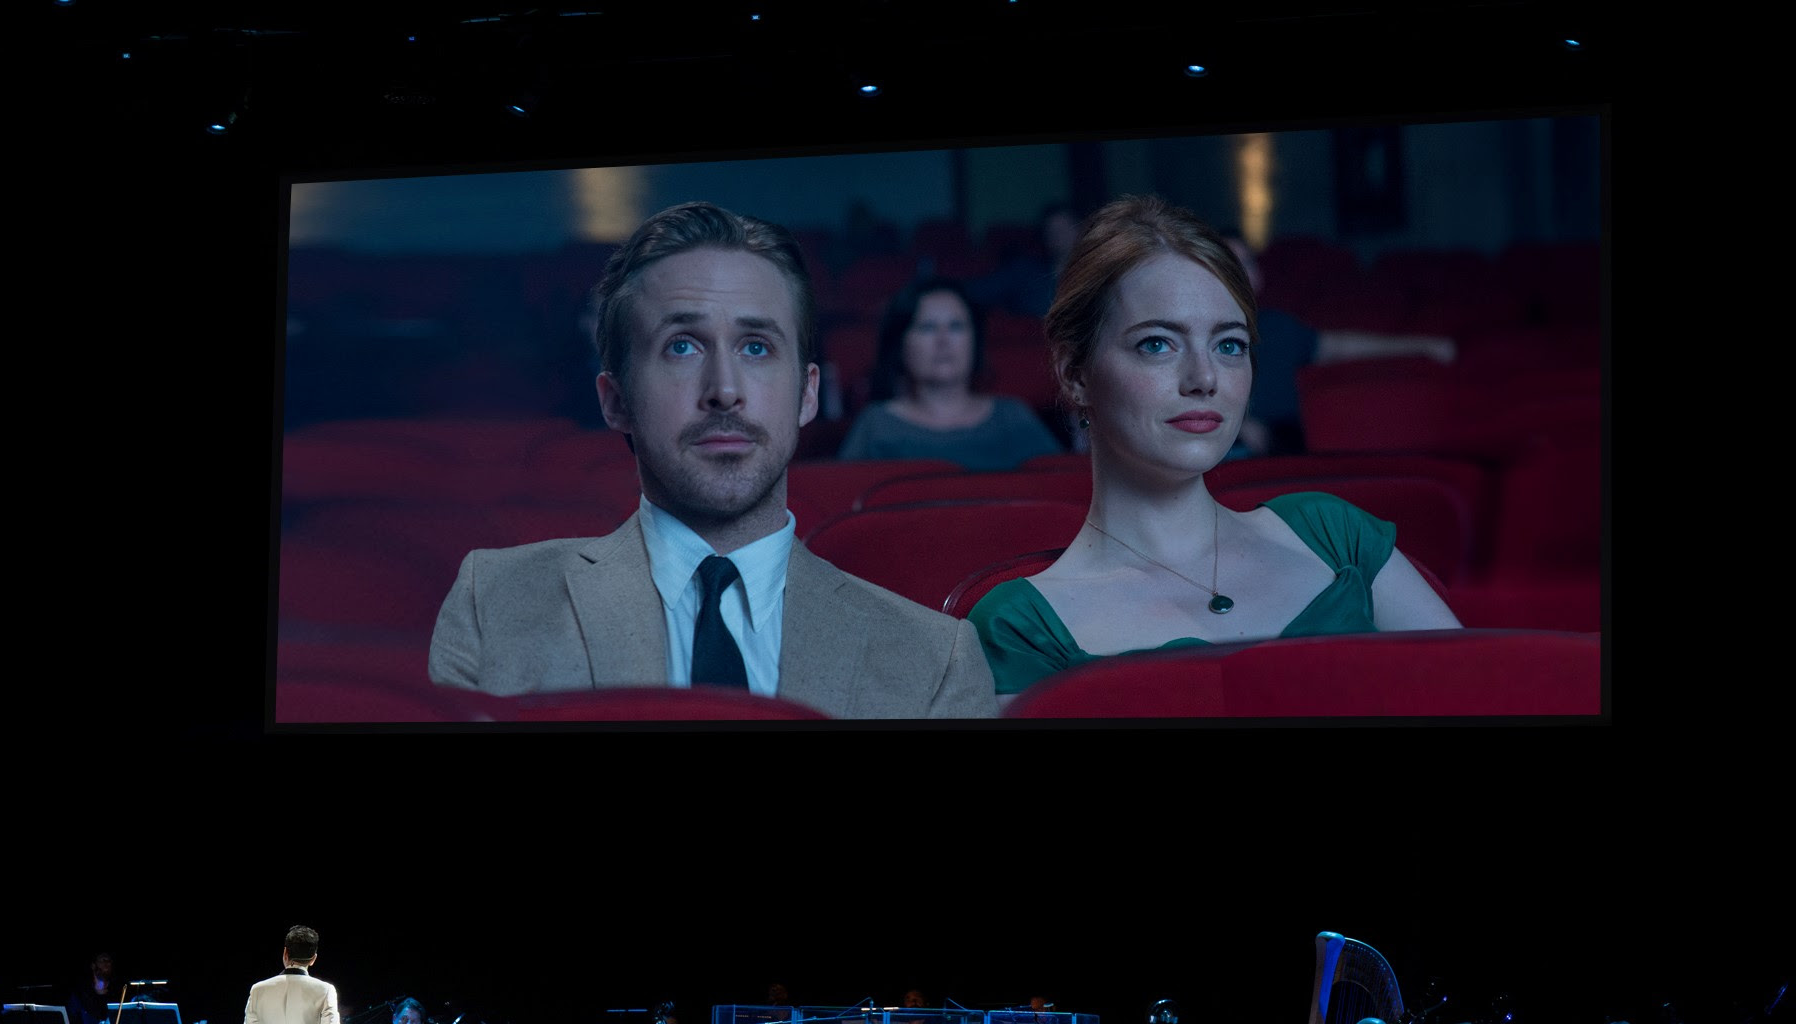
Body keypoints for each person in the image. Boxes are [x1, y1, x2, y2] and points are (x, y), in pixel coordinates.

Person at [429, 201, 998, 720]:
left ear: (807, 395)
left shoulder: (934, 661)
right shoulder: (493, 604)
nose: (724, 390)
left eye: (757, 347)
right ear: (615, 401)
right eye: (682, 346)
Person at [969, 195, 1459, 694]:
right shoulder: (1022, 627)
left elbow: (1481, 694)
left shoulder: (1334, 535)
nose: (1205, 378)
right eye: (1156, 343)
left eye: (1229, 345)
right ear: (1075, 374)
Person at [1216, 229, 1457, 459]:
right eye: (1228, 267)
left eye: (1245, 264)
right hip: (1227, 449)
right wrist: (1235, 426)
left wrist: (1423, 346)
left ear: (1258, 275)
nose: (1239, 275)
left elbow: (1341, 346)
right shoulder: (1199, 338)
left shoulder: (1279, 325)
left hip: (1286, 447)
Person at [835, 278, 1061, 469]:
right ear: (901, 344)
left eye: (956, 326)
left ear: (975, 341)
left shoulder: (1013, 418)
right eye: (927, 327)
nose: (943, 340)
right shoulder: (876, 425)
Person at [68, 952, 119, 1024]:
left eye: (109, 961)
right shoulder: (81, 992)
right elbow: (73, 1019)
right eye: (103, 960)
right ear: (93, 965)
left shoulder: (118, 992)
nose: (106, 964)